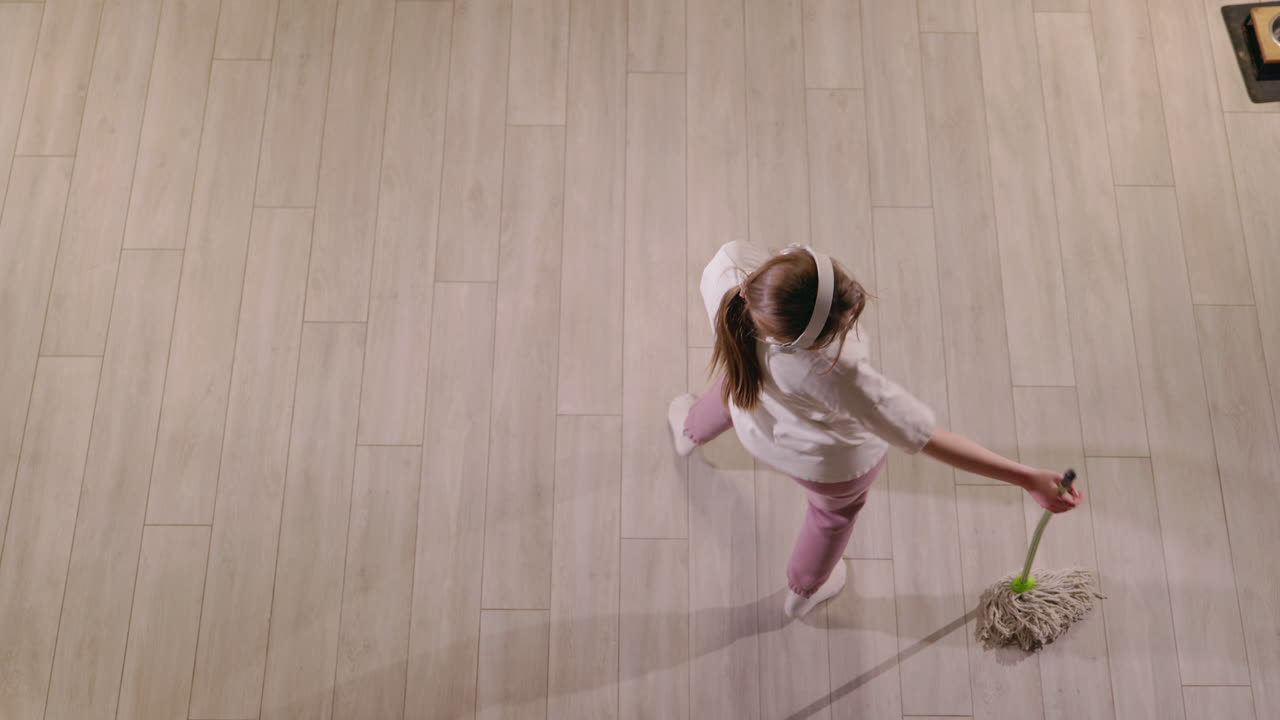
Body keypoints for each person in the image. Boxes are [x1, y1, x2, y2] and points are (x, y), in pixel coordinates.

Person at [669, 241, 1083, 619]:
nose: (853, 315)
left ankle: (688, 433)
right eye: (846, 319)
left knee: (732, 384)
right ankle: (805, 590)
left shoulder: (733, 281)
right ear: (817, 340)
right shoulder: (838, 373)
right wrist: (1027, 478)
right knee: (831, 517)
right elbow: (927, 438)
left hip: (752, 418)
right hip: (826, 464)